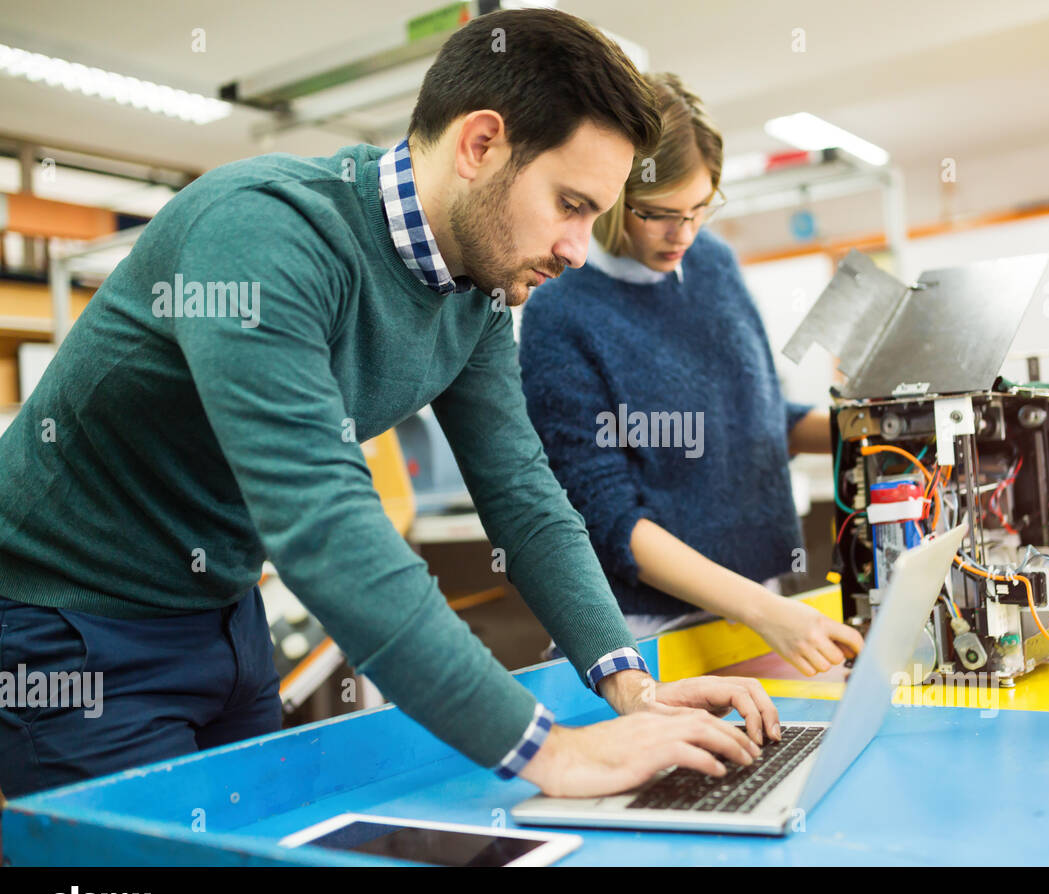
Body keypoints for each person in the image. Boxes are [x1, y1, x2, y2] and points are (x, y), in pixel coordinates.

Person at [0, 10, 780, 801]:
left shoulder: (473, 295)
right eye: (572, 204)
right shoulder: (263, 234)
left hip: (225, 615)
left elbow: (524, 495)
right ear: (481, 144)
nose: (579, 249)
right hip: (69, 628)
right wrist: (551, 753)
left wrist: (629, 684)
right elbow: (323, 522)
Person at [520, 74, 863, 678]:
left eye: (700, 208)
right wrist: (764, 612)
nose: (682, 234)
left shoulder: (714, 264)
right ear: (611, 194)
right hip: (650, 633)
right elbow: (610, 521)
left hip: (754, 605)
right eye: (658, 215)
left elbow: (761, 422)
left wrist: (882, 423)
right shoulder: (562, 310)